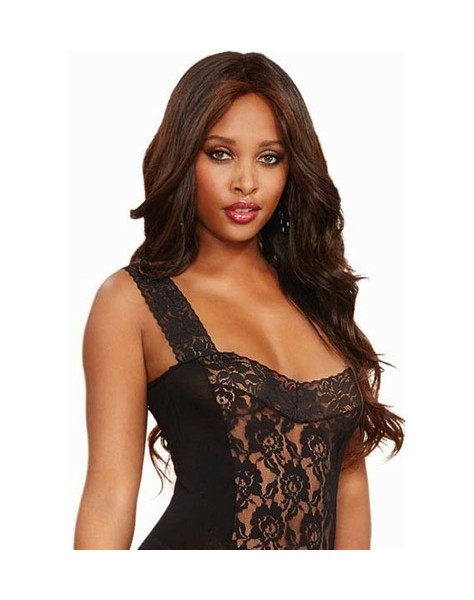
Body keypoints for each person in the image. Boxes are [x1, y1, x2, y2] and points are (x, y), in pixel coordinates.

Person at [73, 51, 405, 550]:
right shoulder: (132, 301)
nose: (246, 182)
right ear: (184, 156)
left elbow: (350, 482)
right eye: (220, 154)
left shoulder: (316, 293)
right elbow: (108, 500)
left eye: (269, 158)